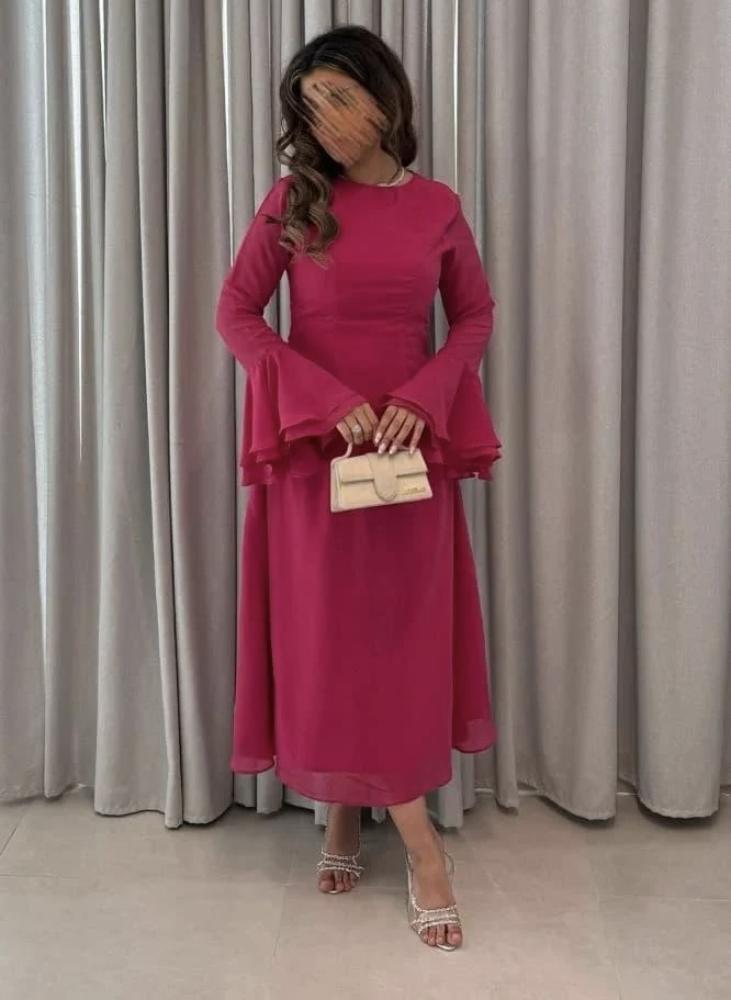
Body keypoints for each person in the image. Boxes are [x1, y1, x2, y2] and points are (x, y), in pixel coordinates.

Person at [215, 24, 501, 951]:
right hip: (316, 460)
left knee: (400, 646)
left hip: (408, 462)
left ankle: (381, 829)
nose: (327, 123)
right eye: (310, 108)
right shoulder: (294, 201)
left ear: (385, 96)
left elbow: (472, 316)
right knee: (328, 644)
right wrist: (319, 397)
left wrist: (424, 394)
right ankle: (385, 831)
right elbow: (236, 312)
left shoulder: (437, 207)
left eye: (339, 98)